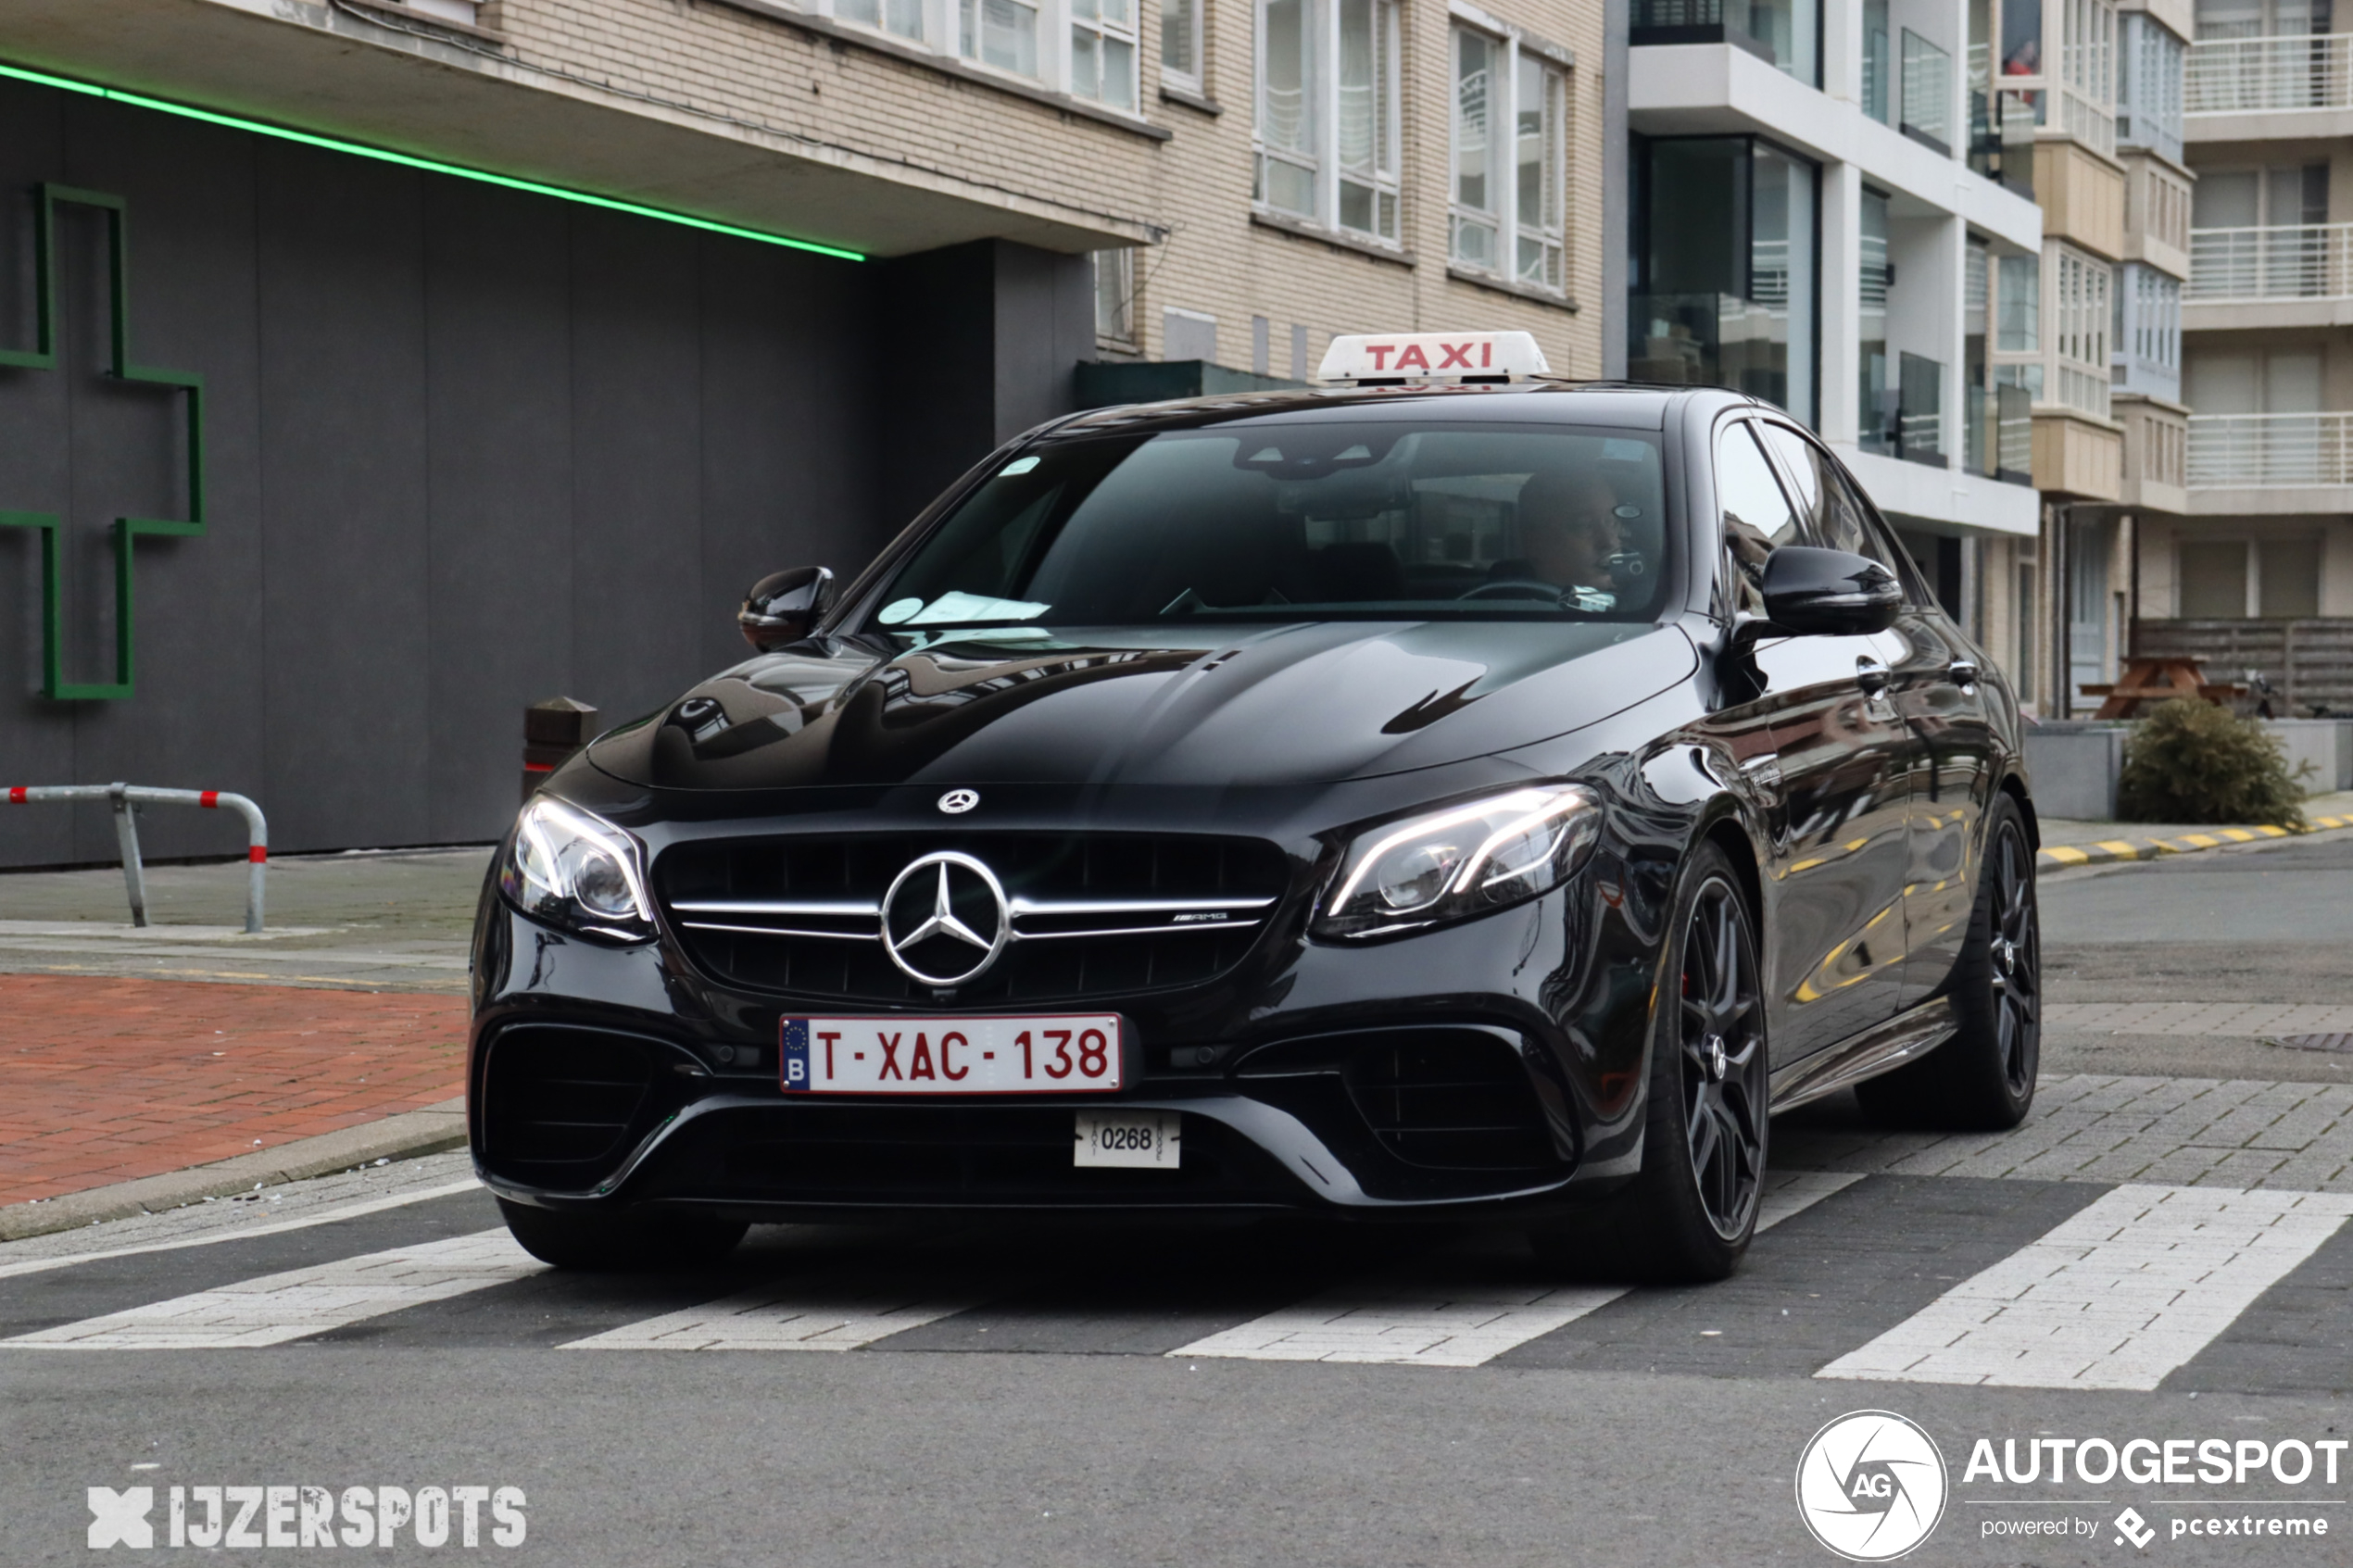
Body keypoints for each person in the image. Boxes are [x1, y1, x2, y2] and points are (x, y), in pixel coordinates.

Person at [1492, 469, 1631, 603]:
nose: (1609, 542)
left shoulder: (1645, 603)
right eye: (1584, 526)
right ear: (1535, 542)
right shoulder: (1499, 610)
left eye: (1612, 522)